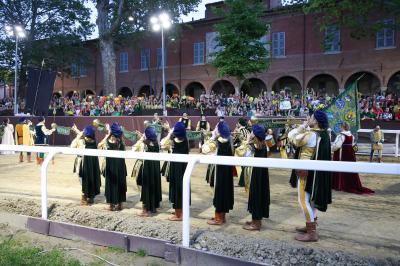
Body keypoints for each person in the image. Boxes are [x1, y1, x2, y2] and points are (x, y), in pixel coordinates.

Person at [288, 110, 332, 242]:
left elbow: (292, 137)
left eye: (311, 118)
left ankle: (311, 232)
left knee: (302, 200)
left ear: (316, 121)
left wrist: (302, 126)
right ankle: (310, 224)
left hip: (305, 171)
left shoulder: (311, 134)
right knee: (311, 200)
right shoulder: (324, 134)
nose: (309, 118)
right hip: (314, 172)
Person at [332, 122, 374, 194]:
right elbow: (353, 145)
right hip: (350, 154)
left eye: (340, 126)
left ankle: (339, 185)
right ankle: (349, 183)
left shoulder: (341, 136)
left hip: (342, 155)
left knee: (340, 168)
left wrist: (331, 149)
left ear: (343, 127)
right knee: (349, 169)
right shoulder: (351, 135)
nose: (339, 128)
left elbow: (337, 146)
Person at [243, 124, 270, 231]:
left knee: (256, 195)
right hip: (260, 175)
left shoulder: (254, 147)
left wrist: (247, 140)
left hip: (256, 175)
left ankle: (256, 223)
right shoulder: (262, 145)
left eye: (252, 132)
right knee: (257, 195)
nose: (251, 133)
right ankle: (256, 219)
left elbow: (242, 154)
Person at [207, 121, 234, 226]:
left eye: (216, 128)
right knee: (224, 192)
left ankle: (219, 219)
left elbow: (205, 150)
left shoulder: (218, 141)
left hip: (219, 171)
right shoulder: (229, 140)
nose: (214, 129)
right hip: (226, 172)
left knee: (218, 192)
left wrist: (213, 137)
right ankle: (221, 217)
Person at [132, 127, 162, 217]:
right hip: (155, 168)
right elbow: (150, 141)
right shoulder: (156, 143)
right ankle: (153, 207)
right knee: (154, 185)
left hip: (146, 167)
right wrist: (142, 135)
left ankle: (144, 209)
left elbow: (133, 149)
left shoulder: (143, 144)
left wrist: (140, 139)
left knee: (143, 187)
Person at [163, 122, 189, 221]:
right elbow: (178, 135)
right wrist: (171, 129)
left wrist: (170, 133)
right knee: (182, 189)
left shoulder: (173, 141)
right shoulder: (186, 140)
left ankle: (178, 215)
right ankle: (180, 211)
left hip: (175, 169)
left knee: (176, 190)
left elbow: (162, 144)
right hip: (184, 168)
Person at [98, 122, 127, 211]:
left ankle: (111, 206)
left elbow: (99, 145)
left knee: (111, 183)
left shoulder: (108, 142)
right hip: (121, 165)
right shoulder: (121, 142)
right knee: (120, 182)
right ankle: (120, 204)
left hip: (111, 166)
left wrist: (107, 134)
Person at [70, 125, 101, 205]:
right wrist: (76, 130)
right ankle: (91, 197)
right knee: (91, 178)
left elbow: (72, 146)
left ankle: (84, 197)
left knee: (82, 180)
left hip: (81, 162)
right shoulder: (94, 142)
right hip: (92, 163)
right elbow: (85, 136)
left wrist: (77, 136)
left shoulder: (80, 141)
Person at [234, 118, 251, 187]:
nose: (237, 124)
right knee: (246, 166)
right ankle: (244, 181)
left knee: (239, 165)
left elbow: (235, 140)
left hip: (242, 149)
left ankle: (242, 182)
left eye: (238, 123)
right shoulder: (247, 130)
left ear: (239, 124)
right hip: (249, 149)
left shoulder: (239, 130)